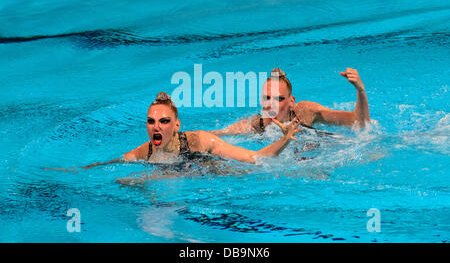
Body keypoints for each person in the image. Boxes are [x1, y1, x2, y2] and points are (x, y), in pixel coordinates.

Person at [47, 92, 303, 173]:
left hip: (225, 175)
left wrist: (285, 138)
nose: (156, 126)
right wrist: (72, 172)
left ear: (177, 125)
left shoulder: (201, 140)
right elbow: (109, 163)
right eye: (150, 121)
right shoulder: (145, 151)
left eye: (164, 121)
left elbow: (255, 158)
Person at [210, 67, 370, 137]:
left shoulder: (305, 111)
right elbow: (219, 133)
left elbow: (360, 123)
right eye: (266, 98)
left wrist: (360, 90)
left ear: (291, 101)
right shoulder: (257, 124)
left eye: (278, 99)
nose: (270, 105)